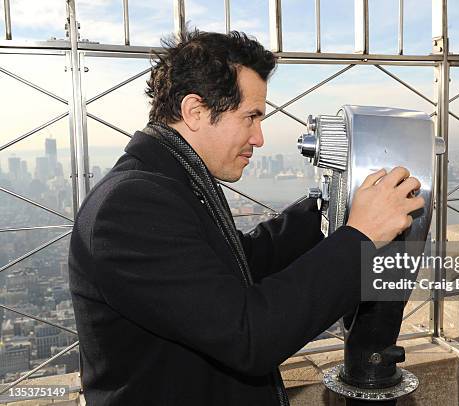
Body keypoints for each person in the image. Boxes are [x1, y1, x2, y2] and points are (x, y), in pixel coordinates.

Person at [68, 30, 424, 405]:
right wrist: (360, 236)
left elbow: (244, 263)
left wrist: (334, 203)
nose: (259, 137)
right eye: (251, 117)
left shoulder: (175, 180)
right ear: (196, 111)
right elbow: (251, 337)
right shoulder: (129, 207)